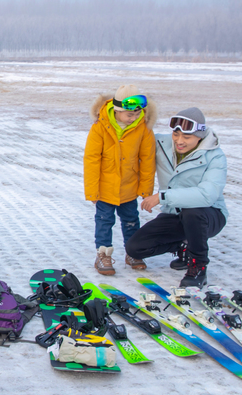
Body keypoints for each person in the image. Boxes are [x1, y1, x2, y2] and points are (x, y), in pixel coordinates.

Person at [125, 107, 228, 288]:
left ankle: (198, 267)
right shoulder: (162, 144)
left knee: (193, 212)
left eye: (187, 138)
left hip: (209, 215)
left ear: (200, 136)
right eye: (176, 134)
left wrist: (162, 196)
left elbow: (207, 195)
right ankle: (184, 247)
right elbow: (134, 138)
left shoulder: (215, 156)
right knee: (135, 247)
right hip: (174, 214)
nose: (179, 141)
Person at [83, 85, 157, 276]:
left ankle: (133, 253)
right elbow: (91, 159)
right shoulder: (100, 127)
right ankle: (103, 255)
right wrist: (92, 191)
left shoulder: (143, 129)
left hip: (129, 188)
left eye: (137, 113)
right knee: (104, 221)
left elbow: (147, 159)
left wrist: (145, 188)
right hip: (105, 189)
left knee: (131, 221)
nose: (133, 117)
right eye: (128, 114)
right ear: (116, 110)